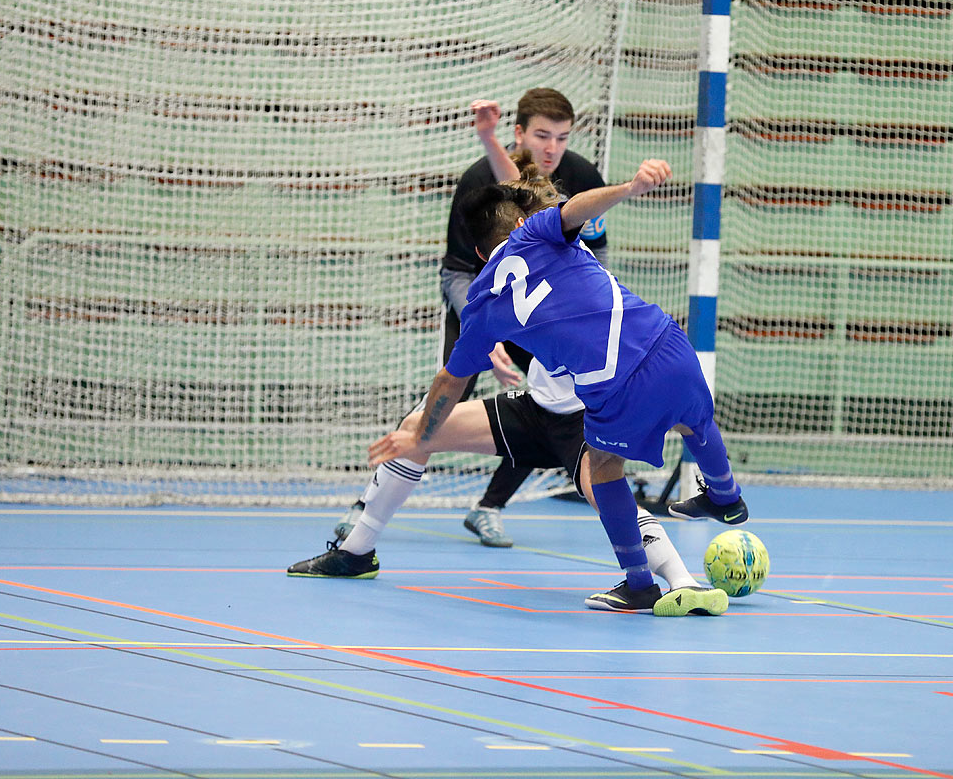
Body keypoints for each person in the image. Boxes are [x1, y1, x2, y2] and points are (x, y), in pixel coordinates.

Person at [393, 157, 748, 613]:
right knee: (694, 418)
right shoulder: (540, 230)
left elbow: (450, 380)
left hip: (614, 384)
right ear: (522, 222)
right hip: (663, 338)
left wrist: (420, 432)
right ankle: (725, 495)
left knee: (603, 469)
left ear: (480, 255)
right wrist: (630, 186)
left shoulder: (480, 304)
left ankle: (639, 583)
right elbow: (575, 208)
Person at [285, 357, 729, 616]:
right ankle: (356, 553)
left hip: (584, 417)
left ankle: (681, 582)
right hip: (532, 409)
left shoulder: (583, 275)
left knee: (605, 491)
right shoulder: (511, 275)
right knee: (418, 426)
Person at [440, 89, 609, 548]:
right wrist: (485, 333)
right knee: (447, 395)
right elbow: (457, 270)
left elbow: (598, 255)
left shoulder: (582, 176)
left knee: (544, 402)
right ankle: (372, 499)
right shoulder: (480, 180)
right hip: (482, 301)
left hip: (543, 311)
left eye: (561, 137)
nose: (552, 148)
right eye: (541, 136)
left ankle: (488, 507)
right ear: (519, 134)